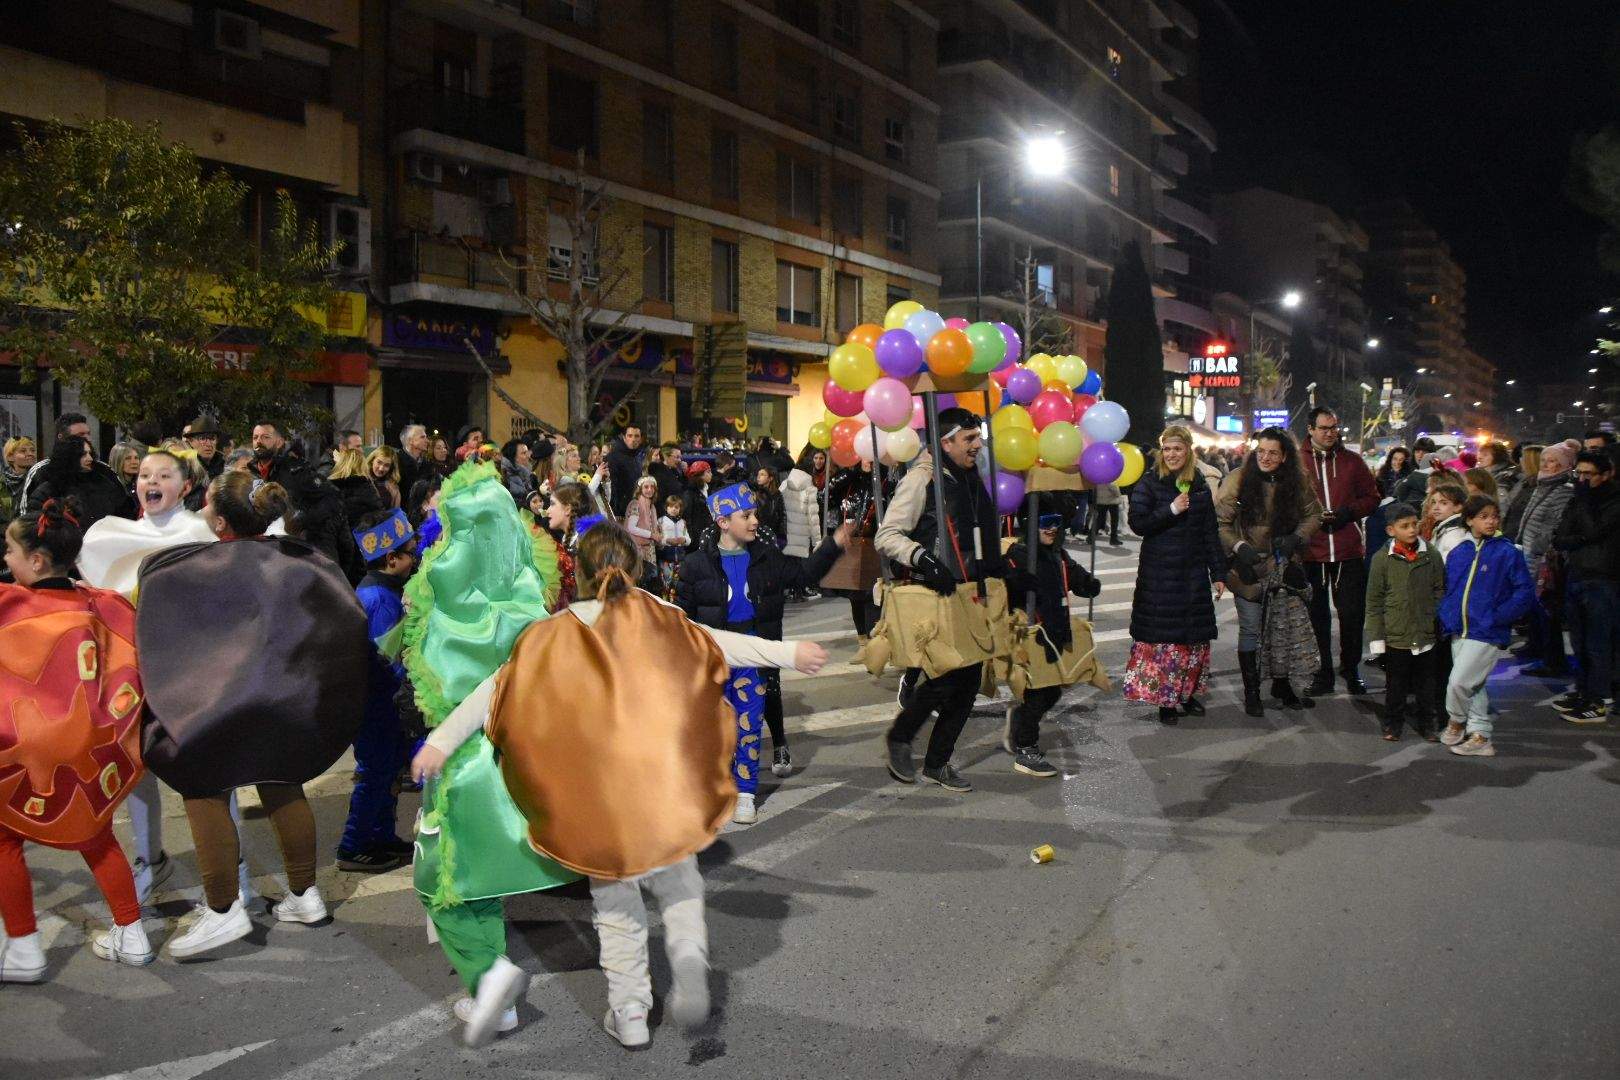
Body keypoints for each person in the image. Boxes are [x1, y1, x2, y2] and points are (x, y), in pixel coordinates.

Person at [412, 522, 829, 1048]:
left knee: (615, 905)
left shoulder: (550, 634)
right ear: (635, 567)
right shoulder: (661, 618)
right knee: (679, 883)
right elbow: (721, 646)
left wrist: (440, 743)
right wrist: (790, 654)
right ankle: (687, 961)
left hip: (598, 801)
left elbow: (493, 692)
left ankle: (630, 1011)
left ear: (578, 574)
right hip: (663, 786)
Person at [141, 471, 368, 957]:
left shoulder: (183, 568)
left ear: (219, 519)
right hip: (286, 703)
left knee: (202, 787)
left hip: (217, 709)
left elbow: (162, 628)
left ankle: (223, 911)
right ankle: (305, 895)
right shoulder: (304, 561)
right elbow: (346, 616)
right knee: (282, 783)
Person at [0, 498, 152, 981]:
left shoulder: (8, 604)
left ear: (37, 560)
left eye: (10, 550)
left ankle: (23, 946)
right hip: (88, 746)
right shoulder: (102, 602)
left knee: (3, 839)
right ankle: (133, 933)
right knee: (97, 836)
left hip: (21, 746)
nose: (6, 559)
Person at [676, 483, 850, 817]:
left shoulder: (767, 558)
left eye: (755, 513)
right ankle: (717, 787)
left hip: (753, 656)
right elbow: (683, 617)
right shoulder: (695, 565)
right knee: (715, 727)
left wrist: (833, 546)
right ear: (724, 522)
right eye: (747, 515)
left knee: (749, 724)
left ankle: (745, 794)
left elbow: (802, 576)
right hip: (711, 659)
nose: (756, 521)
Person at [873, 407, 1007, 792]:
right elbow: (888, 535)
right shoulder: (922, 478)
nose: (978, 445)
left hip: (969, 592)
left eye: (978, 437)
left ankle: (936, 763)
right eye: (969, 439)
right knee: (947, 678)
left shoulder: (969, 477)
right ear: (945, 442)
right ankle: (901, 737)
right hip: (937, 594)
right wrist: (924, 558)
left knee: (966, 682)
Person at [336, 509, 420, 872]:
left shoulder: (376, 590)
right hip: (379, 707)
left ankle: (381, 836)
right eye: (411, 552)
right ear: (392, 559)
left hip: (381, 705)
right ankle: (354, 845)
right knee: (374, 774)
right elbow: (388, 661)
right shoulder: (380, 601)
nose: (416, 558)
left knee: (386, 774)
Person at [1125, 425, 1227, 724]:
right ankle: (1165, 702)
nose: (1172, 454)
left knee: (1192, 639)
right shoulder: (1149, 482)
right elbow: (1138, 523)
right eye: (1167, 449)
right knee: (1166, 642)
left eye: (1177, 449)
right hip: (1160, 575)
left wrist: (1218, 572)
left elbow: (1210, 532)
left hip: (1192, 573)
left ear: (1188, 451)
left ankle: (1188, 693)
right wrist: (1170, 509)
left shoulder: (1199, 485)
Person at [1216, 427, 1320, 716]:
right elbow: (1219, 523)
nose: (1266, 457)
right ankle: (1251, 691)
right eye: (1261, 451)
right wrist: (1238, 547)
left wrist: (1296, 538)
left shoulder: (1297, 481)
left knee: (1282, 630)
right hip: (1246, 568)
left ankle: (1282, 684)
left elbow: (1314, 514)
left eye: (1273, 452)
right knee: (1251, 629)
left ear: (1285, 455)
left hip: (1285, 567)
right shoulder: (1237, 480)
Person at [1002, 511, 1102, 776]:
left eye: (1057, 522)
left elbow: (1074, 576)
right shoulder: (1019, 553)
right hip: (1033, 633)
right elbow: (1001, 583)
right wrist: (1014, 582)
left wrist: (1088, 584)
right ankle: (1025, 748)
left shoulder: (1058, 554)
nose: (1052, 528)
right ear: (1030, 523)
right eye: (1045, 522)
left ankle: (1020, 722)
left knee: (1052, 691)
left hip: (1056, 629)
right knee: (1039, 692)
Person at [1438, 494, 1534, 757]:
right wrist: (1447, 615)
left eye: (1494, 516)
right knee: (1475, 685)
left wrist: (1499, 617)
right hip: (1460, 629)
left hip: (1487, 631)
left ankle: (1457, 721)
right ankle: (1480, 736)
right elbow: (1450, 588)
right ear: (1469, 520)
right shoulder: (1460, 551)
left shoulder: (1507, 552)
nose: (1491, 521)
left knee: (1458, 683)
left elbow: (1524, 592)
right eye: (1484, 517)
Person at [1301, 407, 1380, 697]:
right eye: (1324, 428)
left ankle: (1351, 667)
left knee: (1351, 615)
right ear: (1310, 429)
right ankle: (1322, 673)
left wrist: (1348, 513)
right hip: (1312, 551)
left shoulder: (1352, 462)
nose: (1330, 433)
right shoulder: (1297, 462)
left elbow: (1372, 498)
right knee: (1316, 617)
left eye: (1334, 427)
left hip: (1348, 549)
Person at [1364, 502, 1445, 741]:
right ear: (1391, 530)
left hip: (1425, 632)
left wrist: (1435, 616)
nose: (1412, 530)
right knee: (1396, 684)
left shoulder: (1430, 554)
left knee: (1426, 684)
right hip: (1396, 634)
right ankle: (1393, 723)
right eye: (1405, 526)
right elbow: (1374, 600)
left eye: (1414, 524)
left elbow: (1439, 588)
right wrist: (1377, 638)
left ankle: (1428, 723)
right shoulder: (1382, 559)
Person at [1551, 451, 1620, 723]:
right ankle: (1584, 691)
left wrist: (1583, 504)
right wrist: (1576, 535)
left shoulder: (1612, 501)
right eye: (1578, 473)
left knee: (1598, 643)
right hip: (1577, 575)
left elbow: (1594, 532)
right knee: (1579, 642)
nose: (1581, 479)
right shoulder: (1578, 500)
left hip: (1603, 579)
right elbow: (1561, 536)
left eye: (1588, 474)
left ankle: (1600, 699)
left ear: (1606, 475)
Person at [250, 421, 351, 567]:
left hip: (300, 554)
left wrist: (302, 520)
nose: (259, 441)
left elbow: (333, 498)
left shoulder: (296, 471)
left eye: (265, 437)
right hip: (265, 555)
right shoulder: (248, 473)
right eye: (255, 437)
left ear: (279, 442)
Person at [1515, 443, 1576, 677]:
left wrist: (1540, 546)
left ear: (1565, 465)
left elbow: (1554, 524)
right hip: (1530, 554)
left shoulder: (1563, 489)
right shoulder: (1542, 485)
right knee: (1537, 608)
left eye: (1553, 462)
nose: (1547, 465)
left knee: (1547, 610)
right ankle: (1537, 648)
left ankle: (1553, 660)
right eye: (1544, 461)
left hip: (1544, 559)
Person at [26, 434, 135, 528]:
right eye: (83, 454)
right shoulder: (48, 490)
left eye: (90, 453)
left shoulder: (104, 483)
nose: (90, 459)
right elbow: (34, 525)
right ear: (68, 456)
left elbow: (123, 516)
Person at [1502, 443, 1542, 539]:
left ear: (1531, 462)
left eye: (1523, 458)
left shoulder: (1535, 489)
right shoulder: (1526, 484)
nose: (1520, 461)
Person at [605, 426, 645, 516]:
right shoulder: (613, 457)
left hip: (634, 509)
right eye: (630, 436)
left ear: (641, 439)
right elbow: (611, 486)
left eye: (636, 436)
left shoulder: (637, 457)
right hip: (619, 512)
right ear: (624, 437)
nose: (633, 439)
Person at [656, 494, 689, 598]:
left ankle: (675, 603)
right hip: (666, 558)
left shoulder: (682, 522)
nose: (673, 509)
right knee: (665, 583)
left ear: (680, 508)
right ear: (666, 508)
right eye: (671, 507)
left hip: (680, 558)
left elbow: (688, 539)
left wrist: (683, 540)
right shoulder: (661, 521)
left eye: (676, 507)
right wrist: (668, 541)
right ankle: (664, 603)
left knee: (677, 585)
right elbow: (658, 540)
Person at [1425, 482, 1470, 559]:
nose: (1436, 507)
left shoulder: (1455, 534)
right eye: (1434, 502)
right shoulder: (1442, 529)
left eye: (1443, 503)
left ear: (1458, 507)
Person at [622, 475, 661, 563]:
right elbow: (631, 528)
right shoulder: (635, 504)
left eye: (652, 487)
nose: (650, 490)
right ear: (640, 489)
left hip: (649, 548)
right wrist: (651, 535)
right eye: (646, 487)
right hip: (637, 548)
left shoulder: (652, 506)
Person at [1392, 436, 1438, 507]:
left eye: (1425, 452)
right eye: (1417, 452)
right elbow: (1396, 493)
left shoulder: (1438, 473)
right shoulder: (1405, 470)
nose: (1420, 455)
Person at [1, 436, 36, 527]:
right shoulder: (2, 482)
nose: (30, 454)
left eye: (32, 450)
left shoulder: (38, 479)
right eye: (23, 451)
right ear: (10, 457)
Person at [752, 464, 786, 544]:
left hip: (774, 533)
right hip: (758, 532)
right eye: (758, 474)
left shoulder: (777, 494)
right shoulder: (754, 494)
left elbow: (782, 515)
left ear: (770, 478)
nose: (758, 477)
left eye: (762, 474)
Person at [683, 460, 715, 541]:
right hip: (696, 537)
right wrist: (691, 538)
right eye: (708, 472)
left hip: (710, 534)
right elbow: (687, 517)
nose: (711, 474)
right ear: (700, 475)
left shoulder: (710, 490)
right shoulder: (689, 494)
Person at [648, 442, 686, 508]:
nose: (680, 460)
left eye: (680, 457)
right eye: (677, 457)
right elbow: (659, 501)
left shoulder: (675, 472)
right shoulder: (658, 475)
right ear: (666, 456)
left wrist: (684, 473)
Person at [397, 424, 429, 500]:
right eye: (422, 437)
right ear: (410, 440)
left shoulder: (426, 464)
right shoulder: (396, 462)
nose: (427, 441)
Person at [1087, 480, 1123, 544]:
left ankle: (1090, 537)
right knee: (1114, 520)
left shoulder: (1098, 478)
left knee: (1099, 519)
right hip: (1112, 501)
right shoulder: (1109, 477)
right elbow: (1113, 488)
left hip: (1101, 501)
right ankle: (1113, 538)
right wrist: (1118, 494)